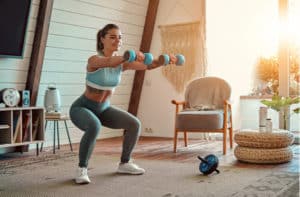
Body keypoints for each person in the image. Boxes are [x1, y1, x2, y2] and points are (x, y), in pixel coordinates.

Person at [69, 23, 176, 184]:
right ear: (102, 39)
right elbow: (110, 62)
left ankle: (125, 163)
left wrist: (164, 60)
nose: (117, 40)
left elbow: (149, 65)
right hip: (82, 108)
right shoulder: (94, 60)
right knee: (94, 126)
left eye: (120, 37)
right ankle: (82, 169)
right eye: (112, 37)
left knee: (134, 124)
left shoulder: (123, 63)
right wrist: (128, 56)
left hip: (103, 109)